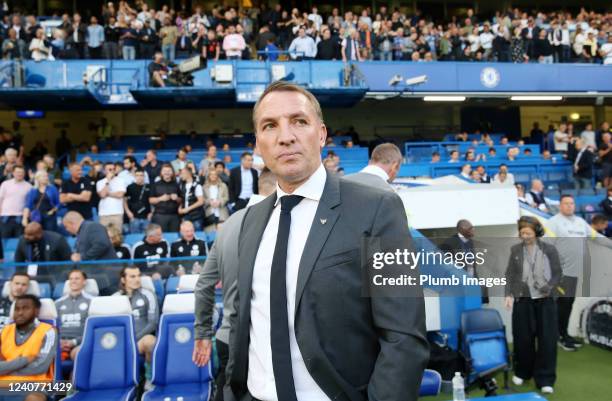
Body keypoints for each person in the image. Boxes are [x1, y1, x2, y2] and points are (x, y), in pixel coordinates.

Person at [220, 82, 427, 401]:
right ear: (258, 144)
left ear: (321, 134)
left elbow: (403, 337)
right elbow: (244, 323)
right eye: (270, 126)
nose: (285, 136)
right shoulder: (250, 221)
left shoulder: (376, 209)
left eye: (298, 121)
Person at [194, 169, 276, 401]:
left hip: (226, 338)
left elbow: (203, 285)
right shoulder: (278, 221)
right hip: (261, 343)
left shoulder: (228, 225)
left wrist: (202, 332)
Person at [504, 216, 561, 395]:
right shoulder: (515, 250)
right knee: (522, 339)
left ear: (536, 231)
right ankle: (522, 372)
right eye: (522, 233)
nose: (525, 236)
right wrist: (508, 294)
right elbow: (510, 274)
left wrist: (549, 287)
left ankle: (545, 379)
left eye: (528, 232)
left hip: (546, 302)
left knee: (547, 341)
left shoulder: (550, 250)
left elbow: (558, 274)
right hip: (523, 301)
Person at [547, 195, 597, 351]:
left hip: (576, 272)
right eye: (566, 203)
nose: (569, 206)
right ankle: (559, 337)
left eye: (571, 203)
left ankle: (564, 334)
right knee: (562, 304)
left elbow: (595, 236)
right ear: (560, 205)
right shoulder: (553, 222)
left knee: (568, 304)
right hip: (561, 273)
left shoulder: (580, 222)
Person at [0, 294, 57, 392]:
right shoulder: (4, 331)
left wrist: (6, 370)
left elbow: (40, 368)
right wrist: (25, 360)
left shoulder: (48, 331)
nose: (20, 313)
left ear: (36, 311)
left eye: (25, 308)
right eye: (17, 309)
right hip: (3, 383)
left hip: (36, 384)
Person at [113, 266, 158, 384]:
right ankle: (64, 390)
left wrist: (133, 339)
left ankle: (150, 380)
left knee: (150, 342)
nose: (137, 279)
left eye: (139, 276)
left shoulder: (148, 294)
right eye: (132, 276)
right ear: (123, 279)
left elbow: (153, 322)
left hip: (139, 341)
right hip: (120, 342)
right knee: (81, 353)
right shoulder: (114, 298)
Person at [55, 270, 93, 361]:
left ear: (84, 282)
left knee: (78, 354)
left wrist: (74, 342)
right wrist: (58, 342)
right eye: (71, 279)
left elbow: (92, 329)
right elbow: (52, 326)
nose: (73, 281)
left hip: (82, 343)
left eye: (77, 278)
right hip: (59, 343)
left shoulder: (92, 301)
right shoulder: (58, 303)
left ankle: (74, 375)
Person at [0, 165, 32, 238]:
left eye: (22, 172)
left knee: (19, 240)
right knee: (4, 240)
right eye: (18, 172)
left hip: (20, 217)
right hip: (5, 216)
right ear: (13, 173)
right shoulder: (5, 184)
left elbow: (29, 204)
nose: (20, 174)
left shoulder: (29, 186)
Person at [149, 164, 181, 232]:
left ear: (172, 172)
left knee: (174, 236)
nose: (167, 172)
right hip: (160, 216)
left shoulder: (176, 185)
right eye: (165, 171)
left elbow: (181, 200)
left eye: (169, 170)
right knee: (161, 236)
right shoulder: (155, 184)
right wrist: (160, 198)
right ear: (161, 172)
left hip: (174, 216)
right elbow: (150, 200)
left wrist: (177, 198)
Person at [96, 162, 127, 229]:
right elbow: (103, 195)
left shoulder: (121, 181)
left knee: (117, 236)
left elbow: (120, 194)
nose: (112, 171)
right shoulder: (100, 182)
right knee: (104, 236)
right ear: (104, 171)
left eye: (114, 169)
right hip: (104, 214)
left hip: (117, 213)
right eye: (110, 169)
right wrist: (108, 181)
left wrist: (108, 193)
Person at [124, 168, 151, 234]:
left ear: (144, 176)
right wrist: (128, 212)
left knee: (147, 236)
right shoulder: (130, 187)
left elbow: (152, 201)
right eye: (137, 175)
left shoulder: (149, 187)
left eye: (141, 175)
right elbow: (124, 200)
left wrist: (151, 213)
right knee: (134, 236)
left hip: (146, 217)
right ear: (134, 176)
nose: (139, 177)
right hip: (134, 217)